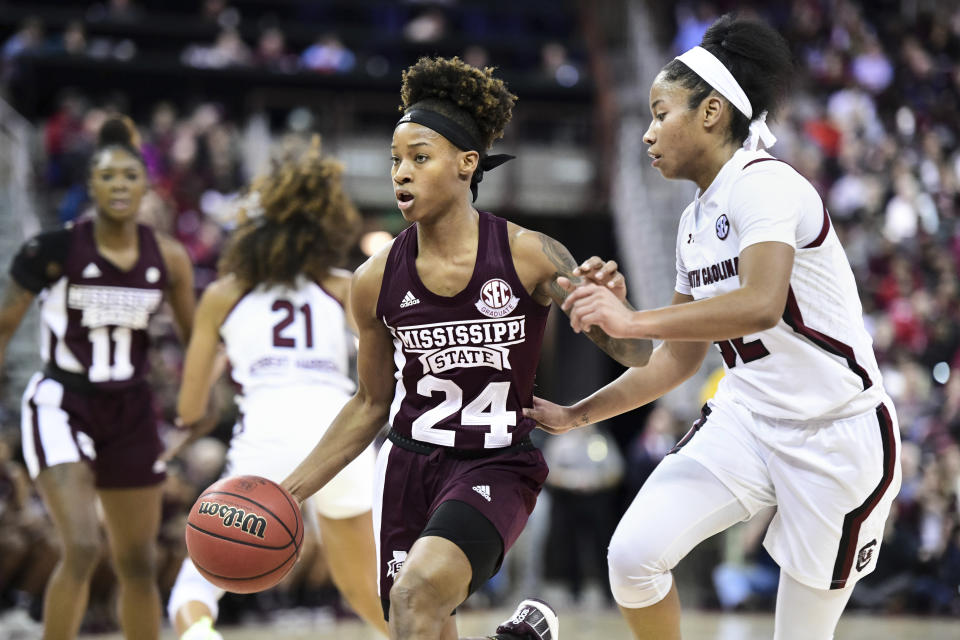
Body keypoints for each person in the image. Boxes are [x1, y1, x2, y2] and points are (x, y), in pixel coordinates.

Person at [526, 14, 902, 640]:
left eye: (659, 112)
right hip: (747, 421)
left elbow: (760, 303)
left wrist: (634, 315)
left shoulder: (767, 184)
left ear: (711, 113)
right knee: (632, 559)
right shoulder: (693, 222)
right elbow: (673, 362)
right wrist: (577, 412)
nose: (646, 133)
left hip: (837, 435)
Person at [281, 56, 652, 640]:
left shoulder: (530, 254)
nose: (401, 173)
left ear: (466, 164)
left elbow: (638, 356)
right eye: (395, 161)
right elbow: (368, 404)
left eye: (419, 158)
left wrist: (620, 317)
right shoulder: (374, 280)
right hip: (407, 465)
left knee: (414, 594)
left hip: (495, 462)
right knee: (416, 621)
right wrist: (287, 491)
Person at [164, 137, 389, 639]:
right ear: (322, 227)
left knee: (195, 590)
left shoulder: (223, 296)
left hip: (266, 432)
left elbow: (190, 408)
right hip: (341, 435)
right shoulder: (342, 286)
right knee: (366, 591)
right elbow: (392, 368)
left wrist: (229, 365)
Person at [0, 115, 195, 639]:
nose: (119, 186)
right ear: (91, 185)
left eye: (130, 177)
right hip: (62, 402)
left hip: (131, 409)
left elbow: (198, 339)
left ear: (146, 187)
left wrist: (194, 410)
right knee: (83, 547)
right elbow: (2, 331)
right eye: (107, 177)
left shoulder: (168, 258)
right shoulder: (52, 250)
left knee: (138, 562)